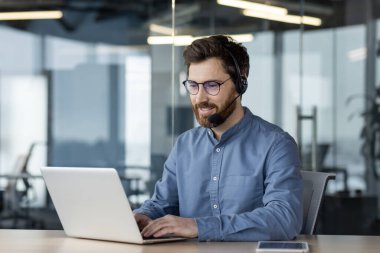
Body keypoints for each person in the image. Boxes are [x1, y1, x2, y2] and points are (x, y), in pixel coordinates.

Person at [134, 35, 303, 241]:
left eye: (212, 85)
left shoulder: (276, 144)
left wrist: (199, 226)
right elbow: (162, 203)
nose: (200, 98)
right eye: (193, 85)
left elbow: (284, 218)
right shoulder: (185, 144)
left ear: (241, 83)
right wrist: (142, 216)